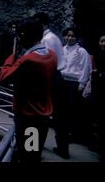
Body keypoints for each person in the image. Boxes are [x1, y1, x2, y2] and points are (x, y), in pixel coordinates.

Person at [0, 17, 57, 163]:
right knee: (33, 155)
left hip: (28, 118)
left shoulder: (27, 60)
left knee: (27, 157)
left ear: (23, 36)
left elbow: (3, 77)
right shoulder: (52, 55)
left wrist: (13, 55)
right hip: (42, 116)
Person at [34, 12, 68, 158]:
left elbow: (45, 62)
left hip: (50, 77)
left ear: (42, 24)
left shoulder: (46, 39)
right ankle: (62, 149)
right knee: (58, 117)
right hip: (57, 77)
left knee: (39, 115)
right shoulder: (53, 37)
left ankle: (34, 148)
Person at [61, 27, 92, 143]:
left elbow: (85, 68)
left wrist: (82, 84)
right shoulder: (63, 49)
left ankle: (73, 135)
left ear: (77, 38)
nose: (69, 38)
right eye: (67, 35)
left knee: (73, 109)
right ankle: (64, 132)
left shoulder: (81, 51)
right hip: (63, 81)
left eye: (72, 36)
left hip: (74, 83)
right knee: (64, 109)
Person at [92, 33, 105, 161]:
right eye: (102, 41)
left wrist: (100, 74)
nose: (104, 44)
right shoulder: (98, 55)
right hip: (99, 90)